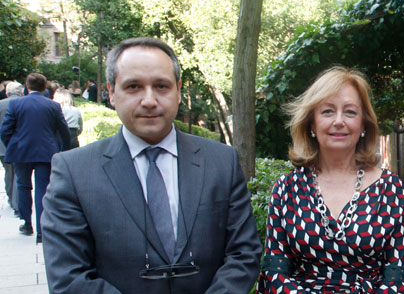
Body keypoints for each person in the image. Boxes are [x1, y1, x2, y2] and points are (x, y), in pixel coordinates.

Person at [41, 37, 261, 293]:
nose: (149, 100)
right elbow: (68, 277)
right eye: (133, 86)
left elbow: (243, 253)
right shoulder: (73, 171)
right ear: (112, 92)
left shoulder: (222, 161)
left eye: (161, 86)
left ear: (178, 91)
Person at [257, 66, 404, 293]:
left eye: (350, 112)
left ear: (363, 124)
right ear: (311, 123)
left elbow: (398, 275)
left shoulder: (390, 188)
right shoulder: (286, 189)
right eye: (328, 111)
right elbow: (273, 271)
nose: (339, 121)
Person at [0, 73, 71, 242]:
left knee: (23, 186)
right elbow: (64, 131)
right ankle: (41, 230)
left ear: (27, 86)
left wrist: (12, 145)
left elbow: (5, 130)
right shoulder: (53, 106)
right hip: (46, 152)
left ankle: (27, 223)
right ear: (44, 87)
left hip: (21, 152)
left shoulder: (16, 104)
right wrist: (63, 150)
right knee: (43, 189)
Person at [0, 81, 24, 212]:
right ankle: (17, 202)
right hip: (21, 144)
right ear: (21, 92)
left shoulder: (0, 104)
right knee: (19, 174)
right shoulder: (25, 104)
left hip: (3, 146)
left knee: (8, 172)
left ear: (6, 92)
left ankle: (11, 197)